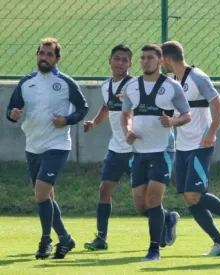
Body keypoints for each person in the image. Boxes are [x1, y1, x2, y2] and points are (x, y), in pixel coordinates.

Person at [160, 41, 220, 256]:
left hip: (201, 143)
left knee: (194, 192)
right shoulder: (173, 81)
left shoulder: (197, 77)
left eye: (161, 59)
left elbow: (219, 106)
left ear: (168, 60)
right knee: (190, 198)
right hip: (182, 145)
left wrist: (211, 133)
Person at [6, 37, 88, 259]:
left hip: (58, 145)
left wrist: (68, 120)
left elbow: (82, 108)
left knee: (41, 193)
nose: (44, 58)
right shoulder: (26, 82)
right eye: (42, 53)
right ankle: (66, 239)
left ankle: (45, 241)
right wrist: (13, 115)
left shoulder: (65, 82)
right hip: (33, 146)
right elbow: (12, 110)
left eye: (49, 54)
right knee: (45, 197)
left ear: (57, 58)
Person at [120, 44, 191, 261]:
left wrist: (172, 121)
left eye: (149, 58)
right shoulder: (131, 86)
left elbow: (186, 115)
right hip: (139, 151)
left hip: (163, 150)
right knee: (141, 204)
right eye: (142, 58)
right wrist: (128, 130)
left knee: (153, 199)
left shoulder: (171, 87)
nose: (145, 62)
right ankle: (168, 218)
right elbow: (125, 115)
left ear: (160, 61)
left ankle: (154, 250)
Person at [83, 44, 135, 250]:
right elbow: (107, 106)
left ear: (130, 64)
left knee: (143, 198)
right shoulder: (106, 85)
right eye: (117, 58)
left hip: (135, 149)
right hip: (115, 149)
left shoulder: (136, 85)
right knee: (104, 189)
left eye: (124, 60)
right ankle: (101, 238)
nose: (120, 62)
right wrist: (94, 123)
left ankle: (166, 221)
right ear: (110, 60)